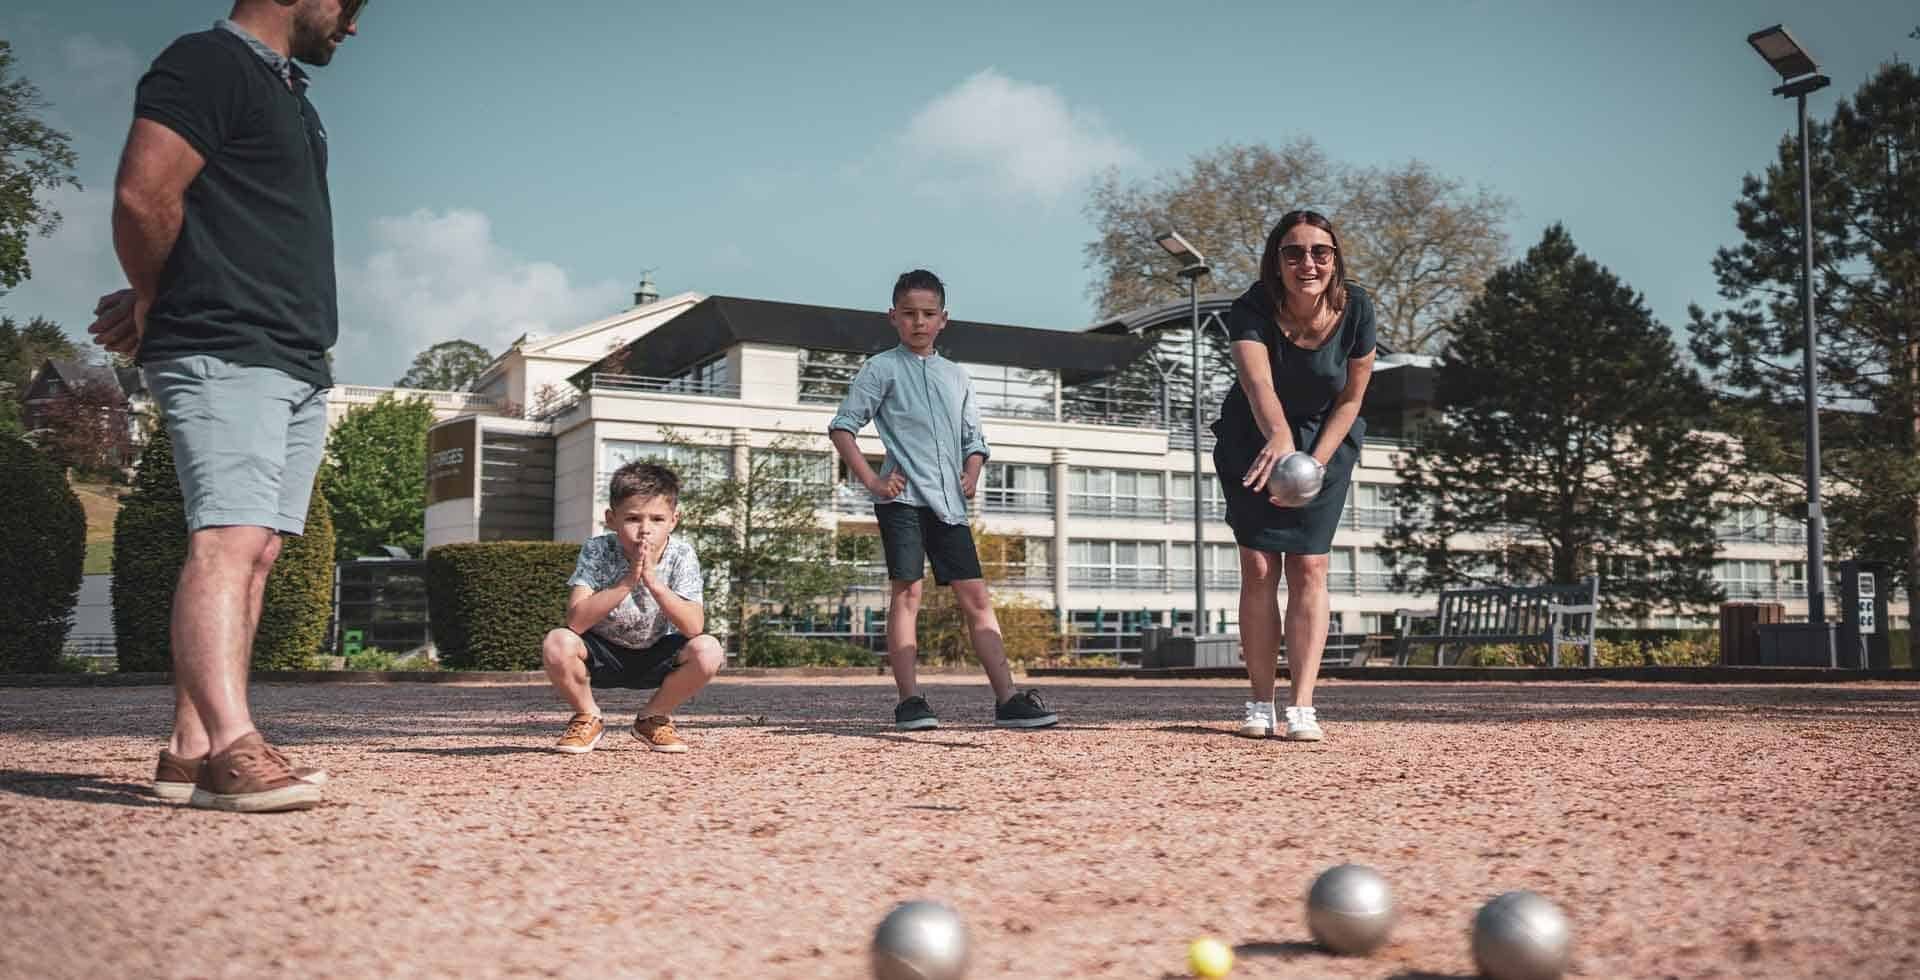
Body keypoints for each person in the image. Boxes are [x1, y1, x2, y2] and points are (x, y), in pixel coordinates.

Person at [87, 0, 370, 812]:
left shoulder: (290, 96)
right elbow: (143, 194)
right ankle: (236, 746)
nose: (354, 25)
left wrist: (168, 288)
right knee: (227, 540)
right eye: (351, 4)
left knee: (259, 551)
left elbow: (232, 225)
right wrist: (156, 299)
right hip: (226, 346)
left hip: (294, 355)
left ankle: (192, 750)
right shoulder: (208, 62)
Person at [827, 270, 1059, 732]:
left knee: (976, 598)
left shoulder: (957, 376)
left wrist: (971, 474)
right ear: (893, 317)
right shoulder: (880, 368)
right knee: (907, 593)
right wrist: (873, 481)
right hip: (903, 502)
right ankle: (910, 701)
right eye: (909, 313)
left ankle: (1008, 699)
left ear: (943, 319)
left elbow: (975, 440)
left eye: (928, 314)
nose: (919, 322)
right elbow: (843, 426)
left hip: (950, 505)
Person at [1211, 211, 1377, 742]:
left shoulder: (1358, 308)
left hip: (1325, 438)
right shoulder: (1251, 307)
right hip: (1254, 437)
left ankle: (1302, 706)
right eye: (1294, 252)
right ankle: (1260, 702)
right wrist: (1279, 438)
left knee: (1310, 565)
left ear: (1335, 259)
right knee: (1259, 566)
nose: (1308, 263)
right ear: (1276, 261)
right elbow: (1257, 384)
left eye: (1320, 252)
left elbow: (1351, 398)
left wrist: (1317, 463)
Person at [541, 461, 725, 754]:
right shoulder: (598, 549)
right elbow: (576, 621)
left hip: (657, 651)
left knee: (709, 649)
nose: (645, 530)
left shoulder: (681, 554)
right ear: (611, 519)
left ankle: (653, 718)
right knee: (557, 641)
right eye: (633, 518)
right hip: (602, 652)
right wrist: (627, 581)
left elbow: (693, 626)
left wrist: (654, 582)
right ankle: (587, 715)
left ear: (674, 520)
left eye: (657, 519)